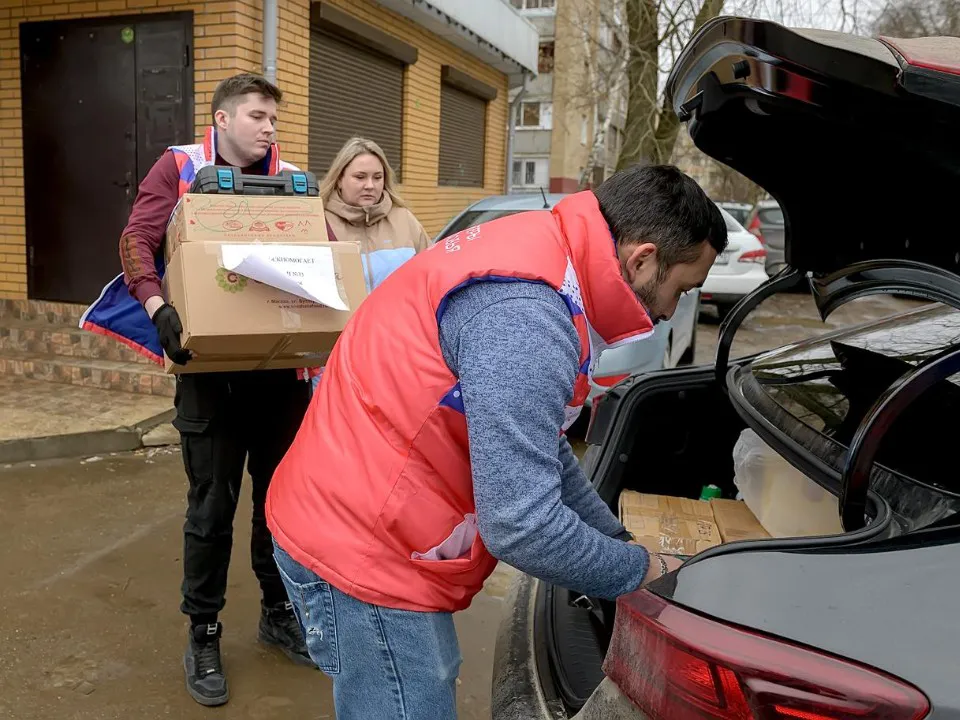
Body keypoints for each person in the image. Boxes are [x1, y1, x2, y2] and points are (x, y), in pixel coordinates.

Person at [265, 164, 728, 719]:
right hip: (359, 548)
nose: (669, 312)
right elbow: (521, 523)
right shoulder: (526, 315)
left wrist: (618, 539)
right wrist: (637, 573)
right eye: (681, 290)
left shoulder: (547, 252)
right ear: (642, 258)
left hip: (355, 509)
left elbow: (543, 446)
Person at [84, 73, 313, 707]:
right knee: (212, 508)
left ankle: (277, 613)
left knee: (280, 505)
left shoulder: (293, 179)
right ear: (222, 119)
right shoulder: (180, 166)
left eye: (274, 118)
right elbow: (137, 240)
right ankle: (204, 632)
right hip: (206, 373)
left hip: (279, 374)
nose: (270, 128)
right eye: (259, 116)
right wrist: (157, 307)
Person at [319, 136, 430, 291]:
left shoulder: (405, 220)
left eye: (377, 177)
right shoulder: (319, 222)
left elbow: (431, 277)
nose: (370, 185)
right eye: (360, 177)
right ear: (339, 179)